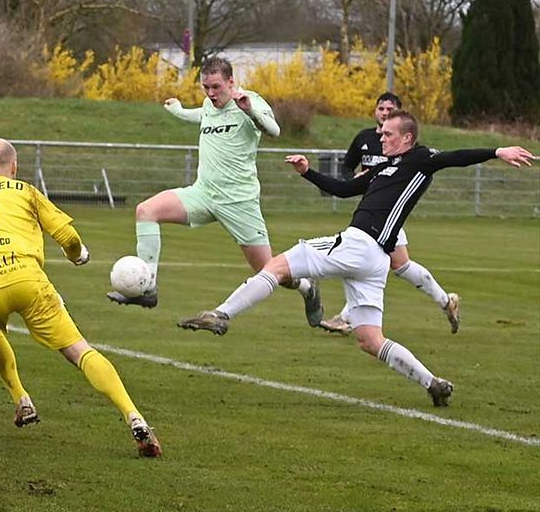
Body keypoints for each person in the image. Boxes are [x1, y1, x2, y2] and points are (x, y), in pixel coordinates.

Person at [177, 110, 534, 407]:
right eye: (382, 133)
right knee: (369, 339)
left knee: (276, 266)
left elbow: (454, 158)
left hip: (360, 245)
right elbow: (345, 189)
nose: (382, 138)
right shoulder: (384, 168)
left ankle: (222, 315)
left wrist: (496, 150)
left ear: (407, 138)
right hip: (373, 261)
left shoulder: (421, 159)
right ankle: (433, 383)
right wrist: (307, 172)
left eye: (389, 134)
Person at [0, 138, 162, 458]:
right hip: (28, 283)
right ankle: (134, 417)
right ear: (14, 168)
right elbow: (68, 237)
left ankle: (21, 399)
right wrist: (78, 255)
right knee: (78, 351)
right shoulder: (26, 191)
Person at [107, 55, 323, 330]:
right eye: (205, 87)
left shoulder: (250, 101)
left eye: (216, 87)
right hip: (203, 195)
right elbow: (199, 115)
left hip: (239, 202)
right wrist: (178, 110)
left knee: (267, 271)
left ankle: (306, 287)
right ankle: (147, 289)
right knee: (146, 211)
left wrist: (250, 111)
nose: (210, 94)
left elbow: (275, 130)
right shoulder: (210, 106)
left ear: (231, 82)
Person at [320, 92, 458, 335]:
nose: (384, 113)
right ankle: (446, 301)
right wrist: (352, 179)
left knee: (377, 262)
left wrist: (496, 152)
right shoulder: (364, 138)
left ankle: (347, 317)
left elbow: (441, 160)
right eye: (381, 108)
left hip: (387, 215)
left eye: (389, 109)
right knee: (399, 265)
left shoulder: (405, 149)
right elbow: (347, 167)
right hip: (370, 212)